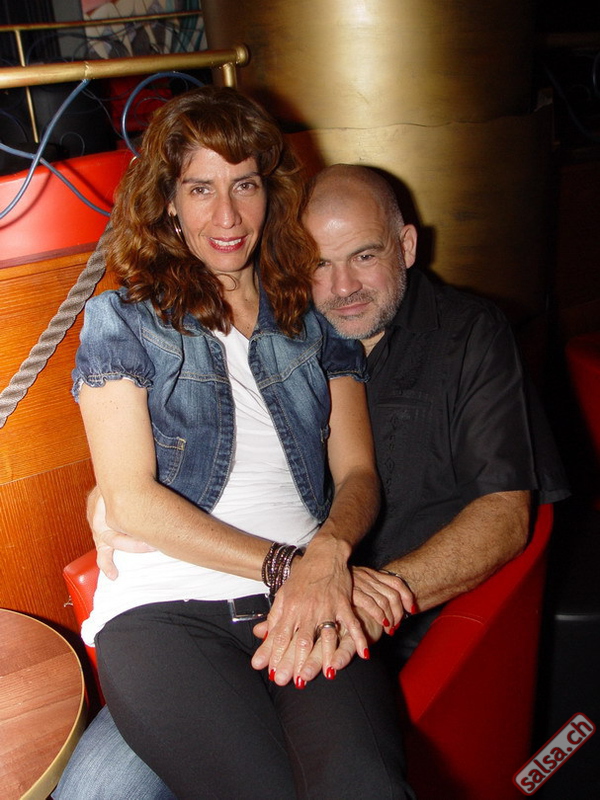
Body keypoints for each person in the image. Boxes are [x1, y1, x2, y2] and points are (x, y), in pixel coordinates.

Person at [54, 164, 567, 799]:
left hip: (389, 628)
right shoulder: (287, 338)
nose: (342, 286)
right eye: (318, 263)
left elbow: (506, 516)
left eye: (365, 256)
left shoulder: (468, 335)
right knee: (95, 790)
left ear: (406, 246)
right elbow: (195, 454)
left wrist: (361, 596)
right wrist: (109, 496)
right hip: (239, 611)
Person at [62, 90, 414, 800]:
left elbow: (358, 474)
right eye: (201, 188)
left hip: (310, 600)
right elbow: (131, 500)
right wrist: (290, 564)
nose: (227, 216)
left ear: (269, 193)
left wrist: (327, 556)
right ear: (168, 202)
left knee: (365, 783)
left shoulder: (312, 323)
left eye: (244, 185)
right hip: (166, 614)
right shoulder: (121, 321)